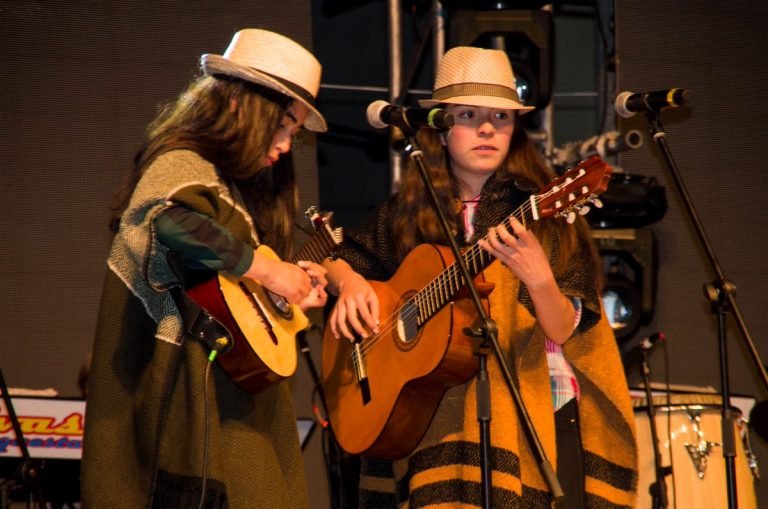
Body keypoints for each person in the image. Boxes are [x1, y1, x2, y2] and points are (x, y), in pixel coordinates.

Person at [323, 46, 638, 508]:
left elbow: (571, 331)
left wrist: (539, 280)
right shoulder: (405, 216)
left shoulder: (546, 215)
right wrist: (349, 283)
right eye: (469, 115)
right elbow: (336, 258)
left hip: (536, 417)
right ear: (440, 128)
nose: (487, 128)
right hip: (431, 421)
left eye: (502, 117)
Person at [81, 29, 328, 508]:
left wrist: (289, 296)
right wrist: (271, 273)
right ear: (239, 105)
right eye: (281, 127)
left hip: (235, 403)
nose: (283, 147)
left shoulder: (232, 190)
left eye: (292, 136)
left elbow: (223, 294)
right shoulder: (181, 163)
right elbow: (170, 222)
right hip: (186, 407)